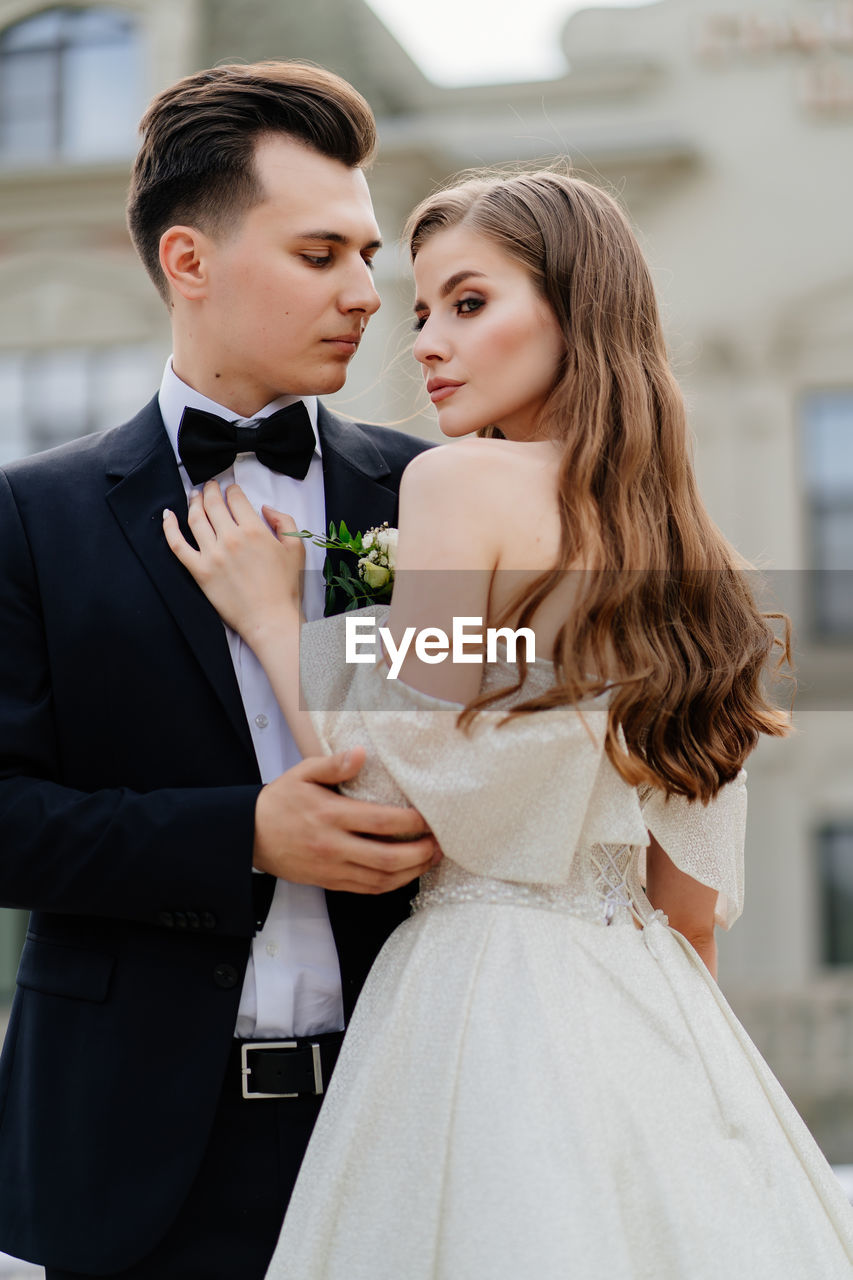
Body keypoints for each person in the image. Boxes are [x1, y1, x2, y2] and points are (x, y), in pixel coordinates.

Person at [165, 168, 853, 1278]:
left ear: (577, 311)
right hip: (659, 1016)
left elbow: (389, 797)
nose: (428, 339)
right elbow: (687, 907)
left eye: (470, 303)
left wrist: (269, 618)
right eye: (425, 308)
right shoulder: (694, 560)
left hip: (481, 998)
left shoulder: (456, 484)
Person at [0, 61, 437, 1280]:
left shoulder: (425, 499)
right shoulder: (30, 518)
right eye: (319, 256)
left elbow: (459, 774)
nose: (365, 291)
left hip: (398, 1122)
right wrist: (241, 833)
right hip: (124, 1158)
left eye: (367, 252)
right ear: (188, 261)